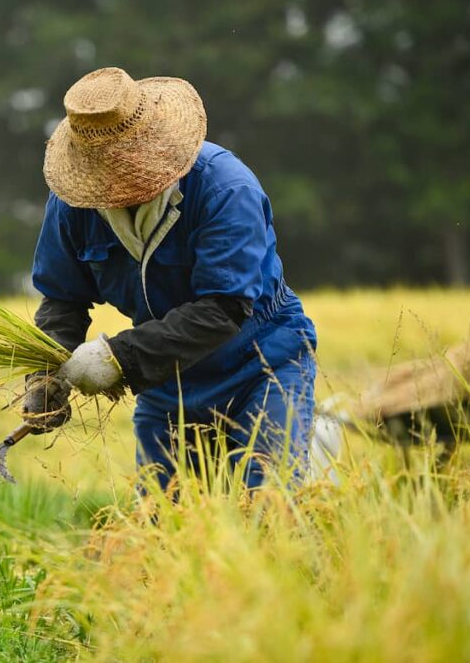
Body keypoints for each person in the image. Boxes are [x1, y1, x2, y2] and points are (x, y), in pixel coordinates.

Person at [22, 66, 318, 491]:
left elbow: (224, 308)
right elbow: (62, 300)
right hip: (168, 381)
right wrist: (45, 375)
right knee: (165, 525)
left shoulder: (224, 189)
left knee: (268, 506)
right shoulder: (74, 204)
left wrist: (117, 358)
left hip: (261, 365)